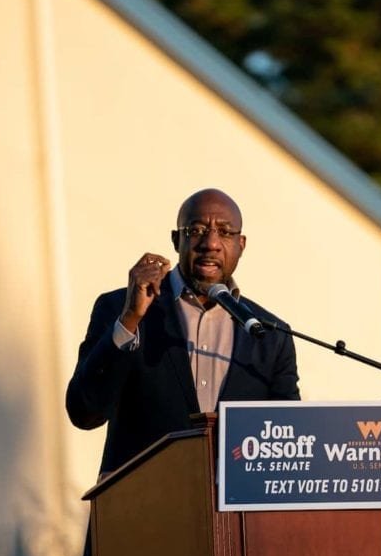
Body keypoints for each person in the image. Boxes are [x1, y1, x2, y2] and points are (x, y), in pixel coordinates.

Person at [66, 188, 300, 475]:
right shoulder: (121, 308)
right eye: (197, 229)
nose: (210, 243)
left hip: (232, 515)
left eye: (225, 232)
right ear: (177, 240)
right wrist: (130, 319)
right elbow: (84, 412)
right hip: (139, 508)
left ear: (241, 244)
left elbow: (288, 442)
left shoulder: (270, 335)